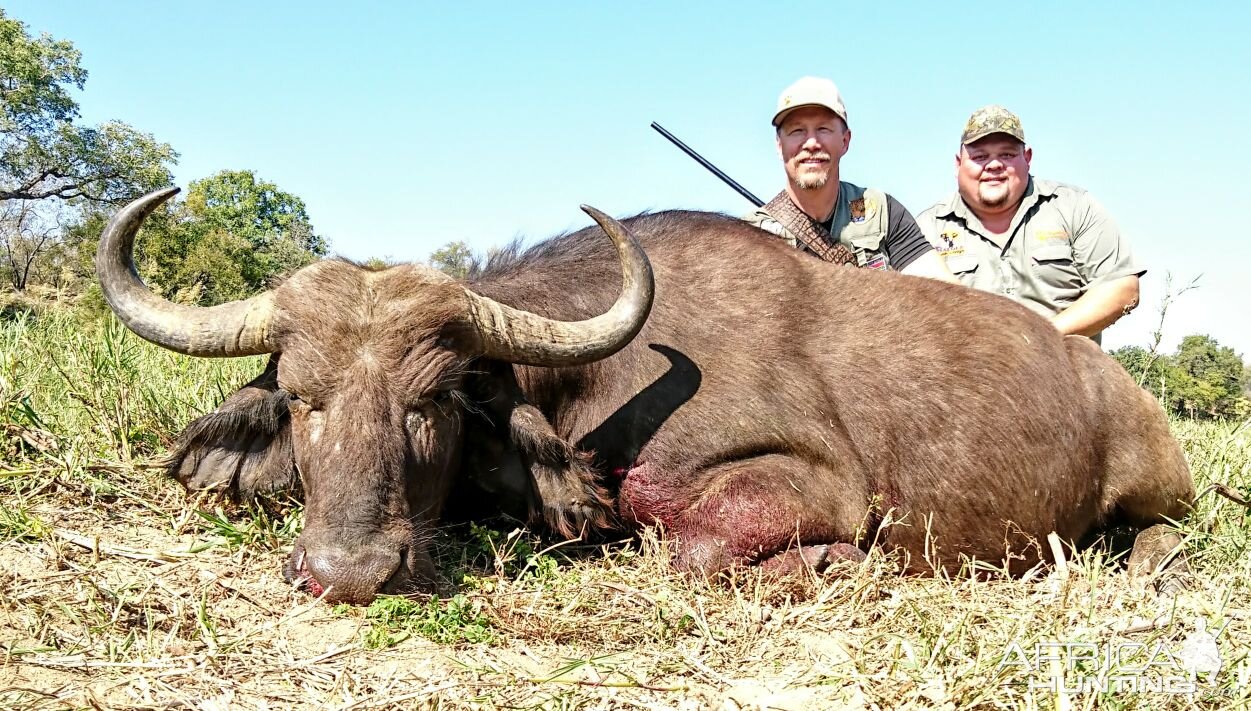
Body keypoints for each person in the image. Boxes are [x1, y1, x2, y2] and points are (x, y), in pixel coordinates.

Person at [917, 105, 1143, 341]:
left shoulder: (1074, 206)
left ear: (1028, 158)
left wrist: (1037, 339)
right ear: (958, 164)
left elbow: (1122, 289)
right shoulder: (927, 229)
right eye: (980, 156)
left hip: (1063, 369)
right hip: (967, 373)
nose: (994, 165)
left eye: (1007, 154)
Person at [746, 77, 956, 281]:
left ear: (845, 141)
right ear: (779, 145)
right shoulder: (749, 235)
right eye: (797, 131)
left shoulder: (882, 212)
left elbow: (944, 292)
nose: (811, 143)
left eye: (823, 129)